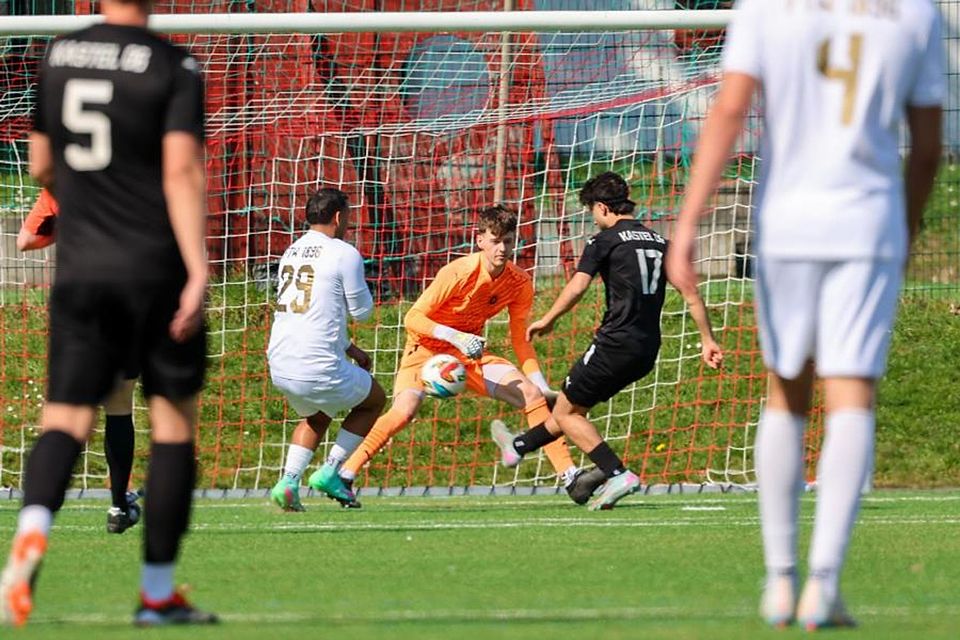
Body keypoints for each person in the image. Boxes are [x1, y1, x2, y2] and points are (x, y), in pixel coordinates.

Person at [667, 0, 943, 630]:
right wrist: (905, 226)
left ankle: (779, 580)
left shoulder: (765, 8)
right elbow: (926, 145)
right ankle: (824, 583)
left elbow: (731, 109)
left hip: (788, 223)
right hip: (868, 222)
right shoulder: (917, 12)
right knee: (852, 393)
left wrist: (687, 221)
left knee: (785, 389)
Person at [0, 0, 217, 627]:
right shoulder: (174, 64)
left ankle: (32, 532)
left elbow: (42, 164)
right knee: (173, 427)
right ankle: (156, 594)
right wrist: (197, 268)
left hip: (82, 272)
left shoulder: (59, 55)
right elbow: (180, 171)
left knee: (65, 418)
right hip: (153, 268)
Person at [314, 205, 603, 505]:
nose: (502, 248)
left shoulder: (519, 282)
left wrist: (540, 383)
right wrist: (455, 337)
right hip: (426, 349)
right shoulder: (458, 272)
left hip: (470, 354)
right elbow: (413, 318)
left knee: (532, 395)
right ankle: (344, 474)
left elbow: (521, 339)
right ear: (479, 240)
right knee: (404, 411)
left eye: (508, 241)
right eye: (495, 240)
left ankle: (571, 478)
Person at [491, 172, 723, 510]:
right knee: (572, 408)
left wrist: (548, 319)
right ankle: (518, 446)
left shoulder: (605, 240)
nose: (593, 219)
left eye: (591, 212)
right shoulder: (661, 242)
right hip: (646, 350)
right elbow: (690, 294)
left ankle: (617, 473)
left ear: (601, 207)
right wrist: (707, 341)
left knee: (568, 413)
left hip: (615, 343)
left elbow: (577, 287)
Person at [17, 188, 141, 534]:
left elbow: (25, 240)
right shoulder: (134, 178)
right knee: (120, 406)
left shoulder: (60, 182)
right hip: (126, 299)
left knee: (64, 414)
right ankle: (119, 506)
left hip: (77, 302)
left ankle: (35, 520)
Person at [266, 188, 386, 511]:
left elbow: (316, 314)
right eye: (348, 215)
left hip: (280, 363)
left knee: (317, 415)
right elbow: (362, 313)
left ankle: (288, 482)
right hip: (316, 365)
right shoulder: (344, 252)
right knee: (375, 400)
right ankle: (331, 472)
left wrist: (351, 349)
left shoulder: (291, 251)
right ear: (338, 217)